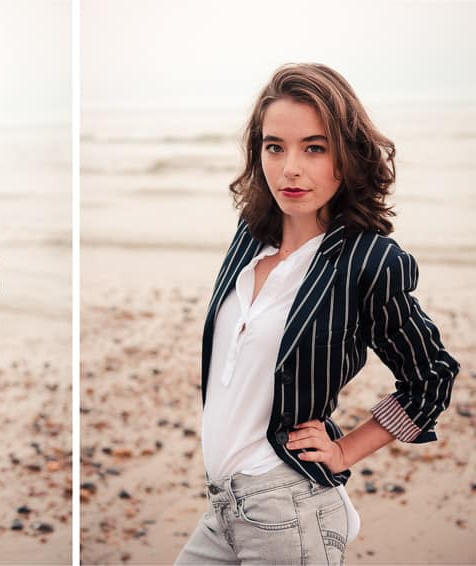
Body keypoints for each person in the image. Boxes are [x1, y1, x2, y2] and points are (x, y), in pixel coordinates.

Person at [175, 63, 459, 565]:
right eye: (274, 146)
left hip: (288, 511)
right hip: (221, 505)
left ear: (346, 157)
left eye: (314, 147)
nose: (290, 169)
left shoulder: (368, 262)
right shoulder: (249, 236)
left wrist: (346, 450)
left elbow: (431, 377)